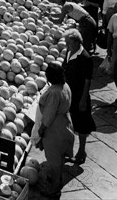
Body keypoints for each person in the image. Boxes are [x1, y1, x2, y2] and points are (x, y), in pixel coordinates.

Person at [34, 64, 74, 196]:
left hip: (54, 129)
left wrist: (41, 129)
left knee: (54, 160)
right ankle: (59, 179)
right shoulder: (65, 86)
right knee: (61, 157)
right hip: (65, 124)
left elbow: (49, 116)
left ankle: (54, 188)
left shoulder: (54, 93)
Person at [62, 29, 96, 165]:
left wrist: (83, 100)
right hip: (69, 93)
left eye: (68, 43)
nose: (66, 45)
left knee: (82, 124)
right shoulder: (70, 52)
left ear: (77, 42)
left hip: (79, 95)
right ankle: (68, 151)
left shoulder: (85, 57)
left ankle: (82, 151)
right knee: (70, 122)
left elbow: (88, 80)